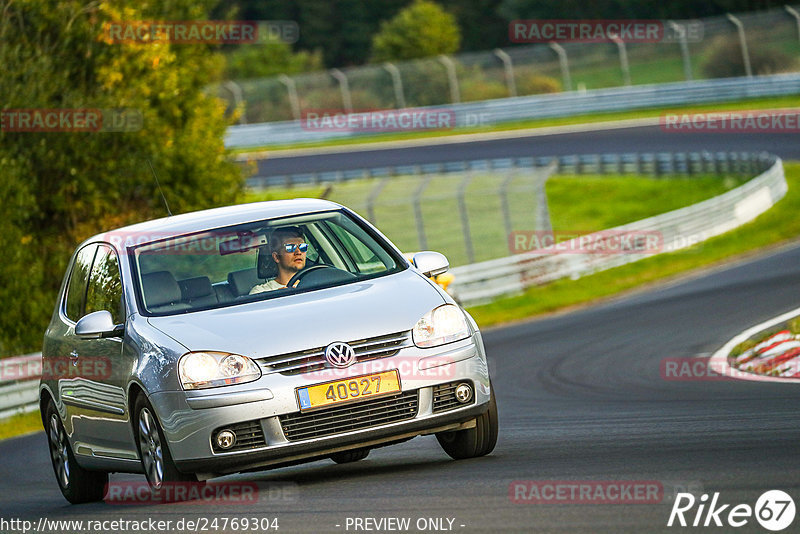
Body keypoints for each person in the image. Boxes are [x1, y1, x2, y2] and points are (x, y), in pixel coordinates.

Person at [249, 227, 307, 294]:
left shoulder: (313, 283)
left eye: (303, 247)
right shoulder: (260, 292)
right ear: (276, 257)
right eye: (290, 248)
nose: (299, 252)